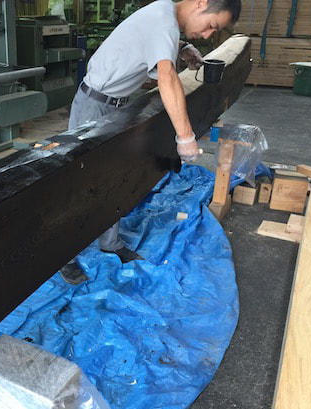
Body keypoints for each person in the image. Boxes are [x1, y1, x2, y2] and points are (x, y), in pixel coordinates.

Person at [61, 0, 241, 284]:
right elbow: (167, 77)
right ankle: (64, 257)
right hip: (94, 106)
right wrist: (185, 137)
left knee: (114, 176)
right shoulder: (162, 19)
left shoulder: (164, 16)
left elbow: (152, 42)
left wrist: (182, 47)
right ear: (201, 3)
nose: (207, 35)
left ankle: (110, 244)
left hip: (116, 104)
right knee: (82, 183)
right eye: (211, 26)